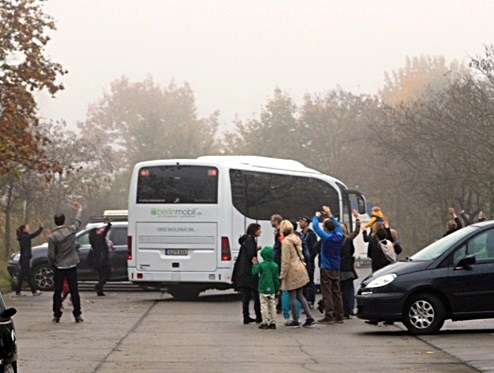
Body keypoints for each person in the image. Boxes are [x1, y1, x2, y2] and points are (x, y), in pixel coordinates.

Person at [47, 202, 84, 323]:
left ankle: (57, 314)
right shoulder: (71, 230)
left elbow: (51, 254)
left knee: (57, 291)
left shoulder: (53, 237)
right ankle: (77, 314)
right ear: (64, 221)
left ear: (55, 222)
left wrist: (52, 264)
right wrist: (79, 210)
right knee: (74, 291)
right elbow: (77, 222)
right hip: (72, 264)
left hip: (59, 266)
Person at [279, 220, 316, 328]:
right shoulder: (297, 238)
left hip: (291, 270)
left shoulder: (286, 242)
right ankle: (309, 317)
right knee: (300, 295)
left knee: (292, 296)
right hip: (300, 267)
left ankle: (295, 319)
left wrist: (282, 275)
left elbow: (285, 261)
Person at [311, 205, 345, 324]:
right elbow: (338, 225)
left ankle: (329, 315)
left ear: (325, 228)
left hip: (326, 267)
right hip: (337, 266)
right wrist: (330, 214)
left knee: (327, 292)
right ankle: (340, 315)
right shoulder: (339, 236)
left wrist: (316, 216)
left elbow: (315, 226)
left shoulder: (326, 237)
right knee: (337, 292)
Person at [232, 223, 262, 324]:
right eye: (259, 229)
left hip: (242, 272)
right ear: (254, 230)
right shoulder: (251, 240)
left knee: (246, 295)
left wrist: (255, 249)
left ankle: (246, 316)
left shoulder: (246, 240)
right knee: (256, 294)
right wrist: (259, 268)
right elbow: (252, 256)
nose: (260, 231)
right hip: (248, 272)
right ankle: (258, 316)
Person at [252, 246, 280, 330]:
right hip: (272, 287)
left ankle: (265, 322)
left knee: (264, 305)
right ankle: (273, 322)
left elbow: (254, 272)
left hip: (263, 287)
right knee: (272, 304)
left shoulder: (262, 265)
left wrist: (255, 264)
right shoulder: (275, 265)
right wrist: (277, 288)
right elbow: (276, 278)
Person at [340, 210, 360, 319]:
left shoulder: (336, 240)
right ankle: (350, 309)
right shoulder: (349, 239)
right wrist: (357, 219)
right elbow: (357, 231)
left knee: (341, 290)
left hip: (339, 267)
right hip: (348, 267)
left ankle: (343, 310)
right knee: (349, 290)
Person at [15, 223, 44, 296]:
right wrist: (40, 229)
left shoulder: (22, 237)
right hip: (25, 258)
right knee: (29, 275)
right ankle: (34, 291)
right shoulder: (25, 236)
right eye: (27, 228)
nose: (28, 229)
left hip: (24, 258)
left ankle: (18, 291)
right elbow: (33, 235)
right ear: (24, 229)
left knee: (23, 275)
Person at [89, 217, 113, 296]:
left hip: (96, 260)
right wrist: (109, 222)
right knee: (107, 273)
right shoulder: (100, 237)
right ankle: (99, 286)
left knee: (101, 275)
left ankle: (100, 290)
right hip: (102, 259)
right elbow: (106, 229)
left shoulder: (92, 240)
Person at [299, 216, 318, 308]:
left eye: (301, 221)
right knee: (302, 281)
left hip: (309, 262)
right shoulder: (300, 234)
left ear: (306, 223)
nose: (300, 223)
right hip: (301, 261)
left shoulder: (311, 234)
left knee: (309, 281)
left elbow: (314, 248)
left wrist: (310, 258)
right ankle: (303, 300)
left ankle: (310, 300)